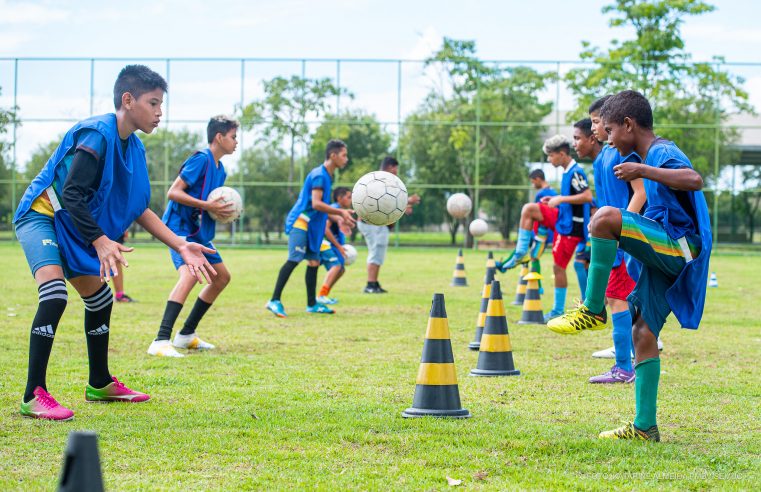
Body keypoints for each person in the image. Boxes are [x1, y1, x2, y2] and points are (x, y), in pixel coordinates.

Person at [13, 65, 216, 421]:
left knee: (100, 297)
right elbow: (73, 193)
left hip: (72, 223)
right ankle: (34, 394)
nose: (159, 112)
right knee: (55, 295)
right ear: (128, 100)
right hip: (42, 215)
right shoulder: (98, 135)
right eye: (153, 103)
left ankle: (100, 382)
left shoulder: (134, 149)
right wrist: (101, 240)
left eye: (161, 104)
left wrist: (180, 245)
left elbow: (139, 208)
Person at [548, 90, 712, 442]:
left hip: (680, 246)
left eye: (609, 129)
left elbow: (694, 179)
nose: (605, 137)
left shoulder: (661, 151)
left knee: (605, 218)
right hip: (668, 249)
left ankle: (593, 309)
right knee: (643, 332)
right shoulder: (642, 153)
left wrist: (643, 169)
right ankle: (644, 426)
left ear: (628, 124)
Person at [147, 115, 239, 357]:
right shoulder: (200, 160)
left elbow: (210, 205)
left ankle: (186, 335)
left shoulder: (221, 171)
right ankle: (160, 340)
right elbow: (173, 192)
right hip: (179, 230)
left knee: (221, 277)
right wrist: (209, 206)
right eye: (233, 137)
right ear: (219, 137)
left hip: (197, 233)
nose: (236, 142)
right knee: (189, 274)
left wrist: (225, 213)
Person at [582, 98, 647, 384]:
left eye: (597, 122)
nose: (594, 127)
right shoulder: (602, 158)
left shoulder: (622, 152)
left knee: (618, 300)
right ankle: (632, 359)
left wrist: (623, 230)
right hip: (609, 238)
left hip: (622, 242)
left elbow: (641, 192)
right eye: (594, 122)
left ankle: (624, 367)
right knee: (615, 298)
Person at [496, 133, 592, 322]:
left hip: (571, 227)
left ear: (562, 154)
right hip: (562, 220)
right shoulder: (567, 172)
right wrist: (555, 201)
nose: (549, 159)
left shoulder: (575, 172)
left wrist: (561, 199)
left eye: (551, 155)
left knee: (559, 267)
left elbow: (587, 196)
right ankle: (522, 251)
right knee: (530, 209)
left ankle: (559, 309)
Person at [265, 140, 356, 317]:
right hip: (301, 222)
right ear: (333, 155)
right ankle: (274, 300)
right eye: (344, 155)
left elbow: (321, 208)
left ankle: (312, 304)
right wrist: (340, 211)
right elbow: (316, 204)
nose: (346, 159)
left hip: (314, 226)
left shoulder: (327, 176)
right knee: (294, 259)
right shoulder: (319, 175)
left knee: (314, 262)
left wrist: (340, 217)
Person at [357, 156, 420, 294]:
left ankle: (374, 282)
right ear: (391, 167)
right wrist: (408, 201)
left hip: (379, 224)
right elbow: (381, 201)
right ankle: (370, 284)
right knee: (375, 251)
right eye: (396, 169)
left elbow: (388, 204)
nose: (396, 172)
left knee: (379, 253)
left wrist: (403, 207)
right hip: (371, 223)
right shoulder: (380, 180)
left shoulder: (385, 180)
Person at [316, 187, 353, 305]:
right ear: (339, 198)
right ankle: (321, 295)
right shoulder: (334, 209)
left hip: (333, 245)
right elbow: (325, 227)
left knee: (341, 270)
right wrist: (338, 246)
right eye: (348, 197)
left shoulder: (340, 211)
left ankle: (323, 295)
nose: (351, 200)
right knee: (337, 267)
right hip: (326, 244)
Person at [113, 231, 136, 302]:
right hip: (101, 227)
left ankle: (119, 295)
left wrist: (124, 228)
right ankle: (119, 295)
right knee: (116, 257)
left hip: (113, 227)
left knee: (117, 258)